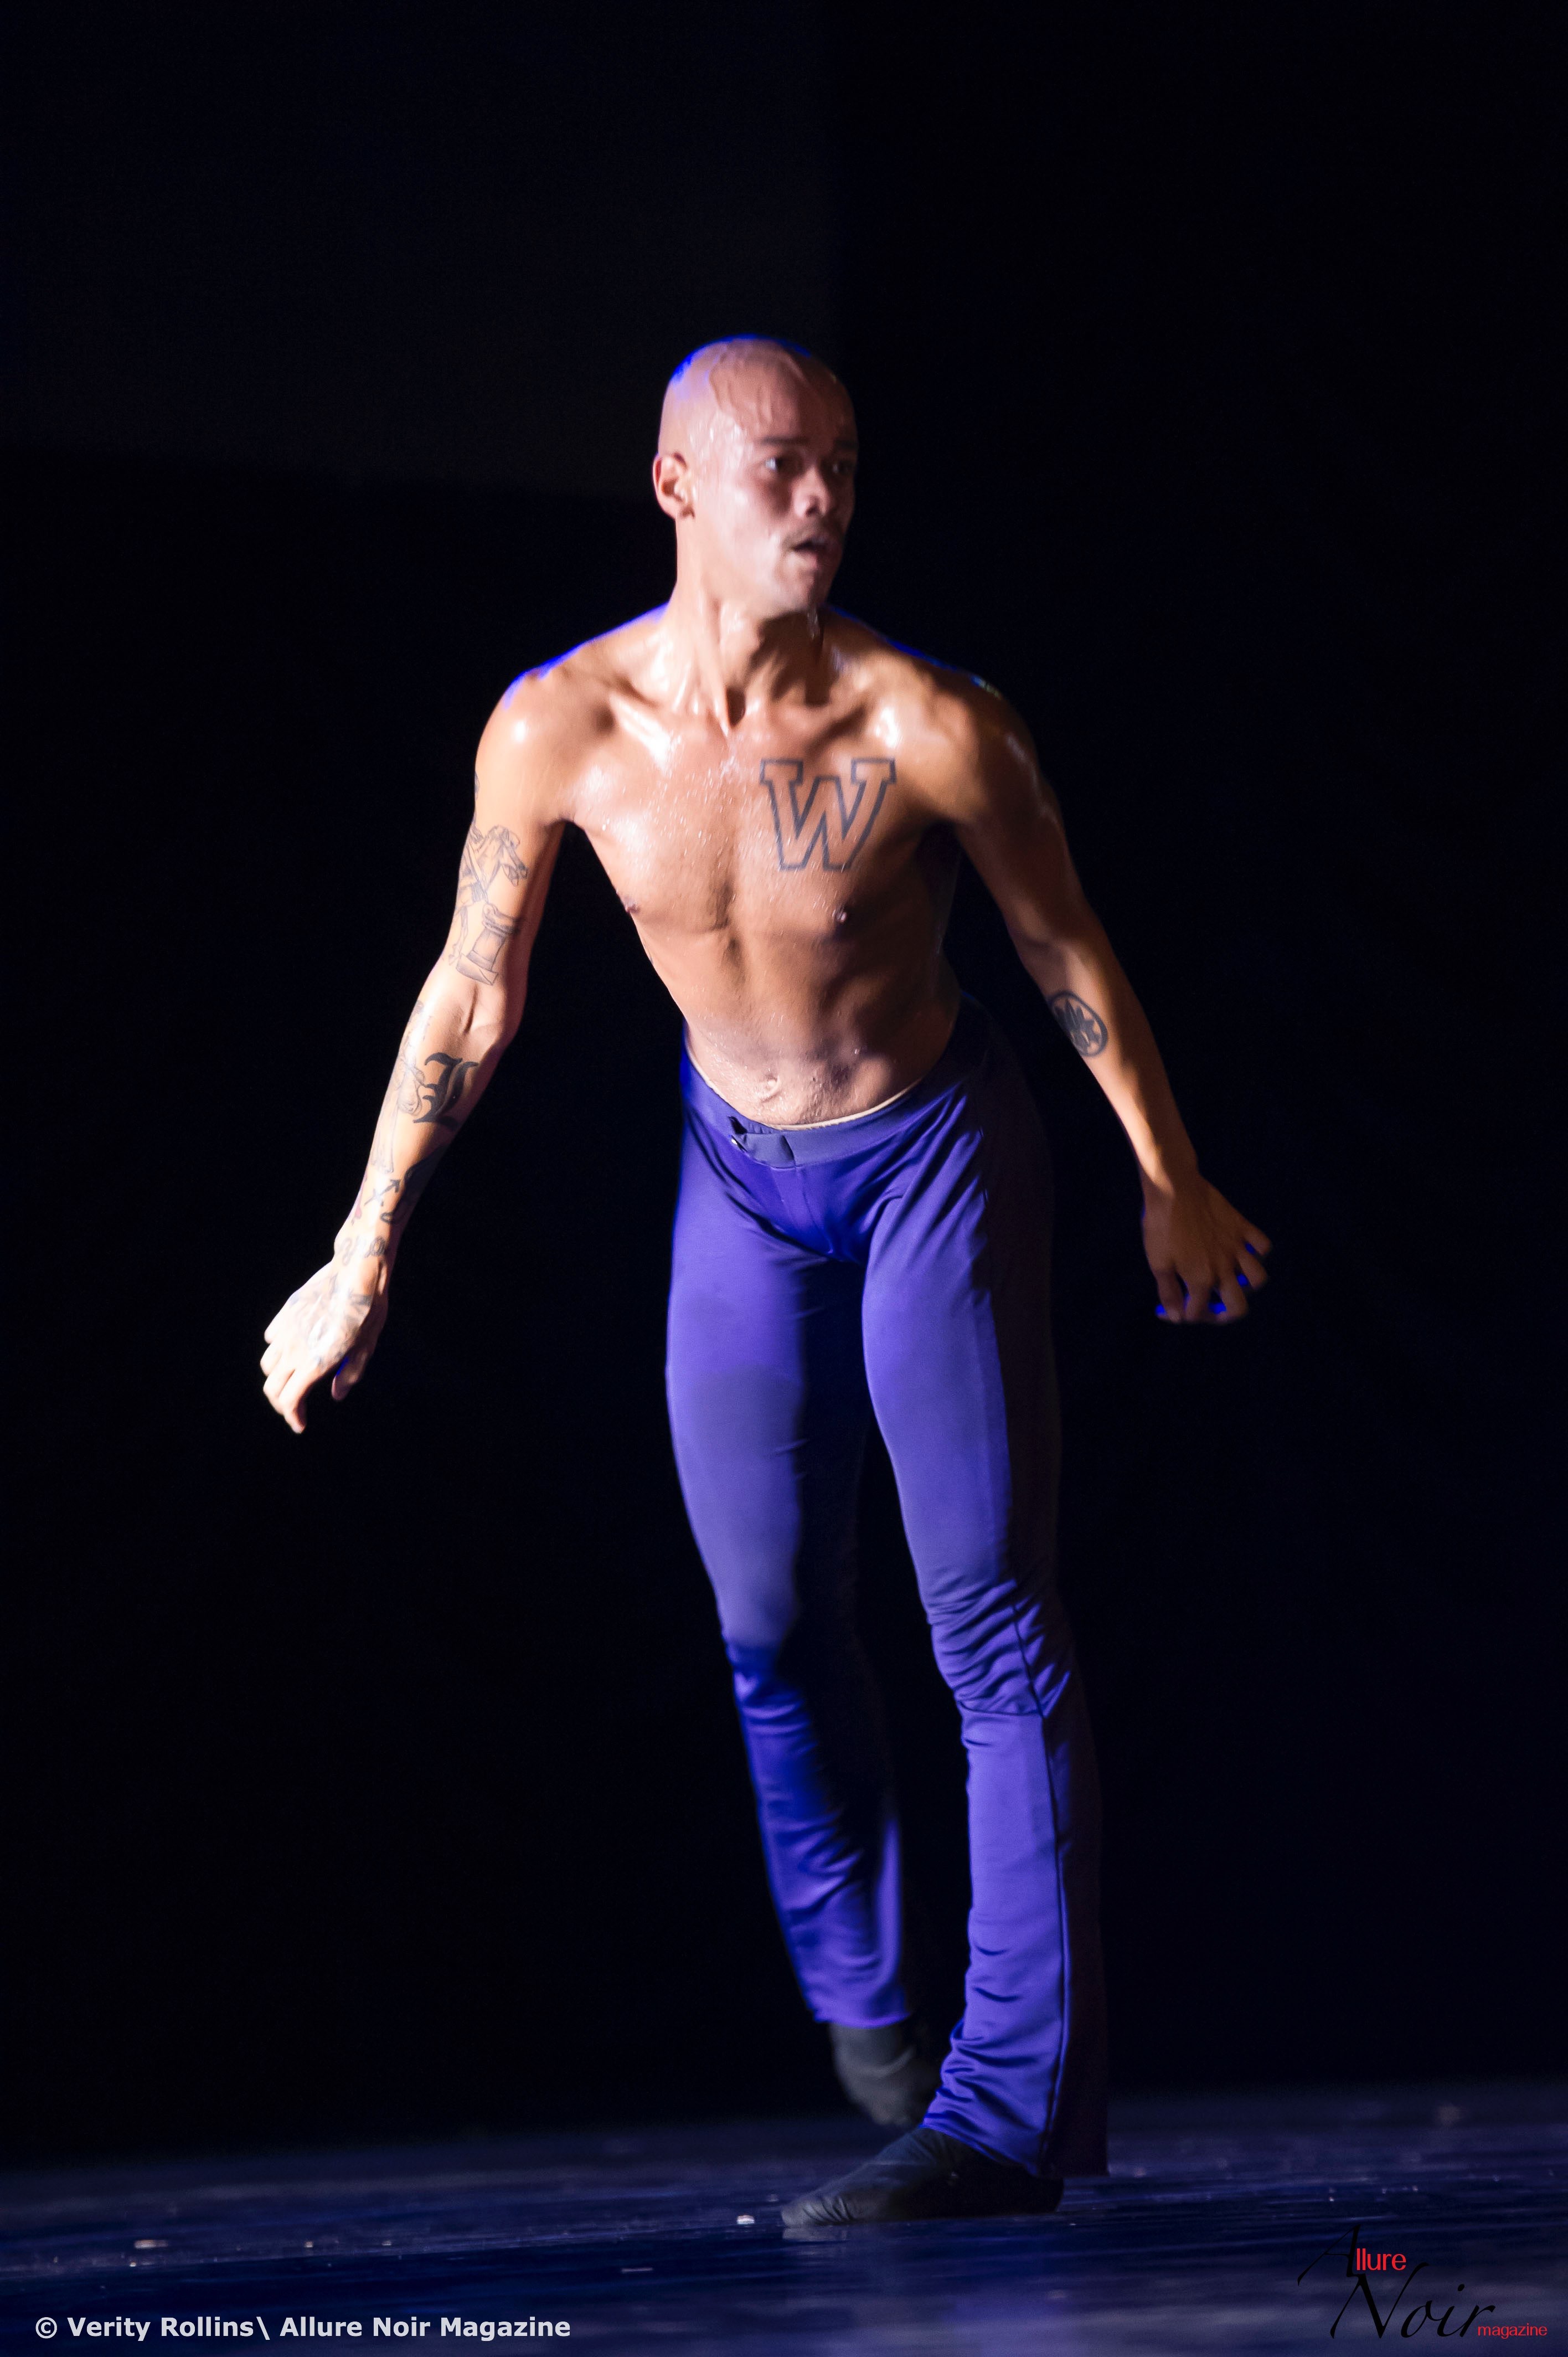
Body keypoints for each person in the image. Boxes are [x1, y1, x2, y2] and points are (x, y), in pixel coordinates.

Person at [261, 338, 1270, 2227]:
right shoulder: (560, 728)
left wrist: (1170, 1177)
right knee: (774, 1625)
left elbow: (1067, 951)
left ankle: (1002, 2110)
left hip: (930, 1155)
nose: (823, 499)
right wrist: (365, 1237)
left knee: (990, 1624)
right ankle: (872, 2008)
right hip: (737, 1177)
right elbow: (473, 987)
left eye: (845, 466)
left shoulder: (933, 726)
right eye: (783, 466)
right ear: (677, 488)